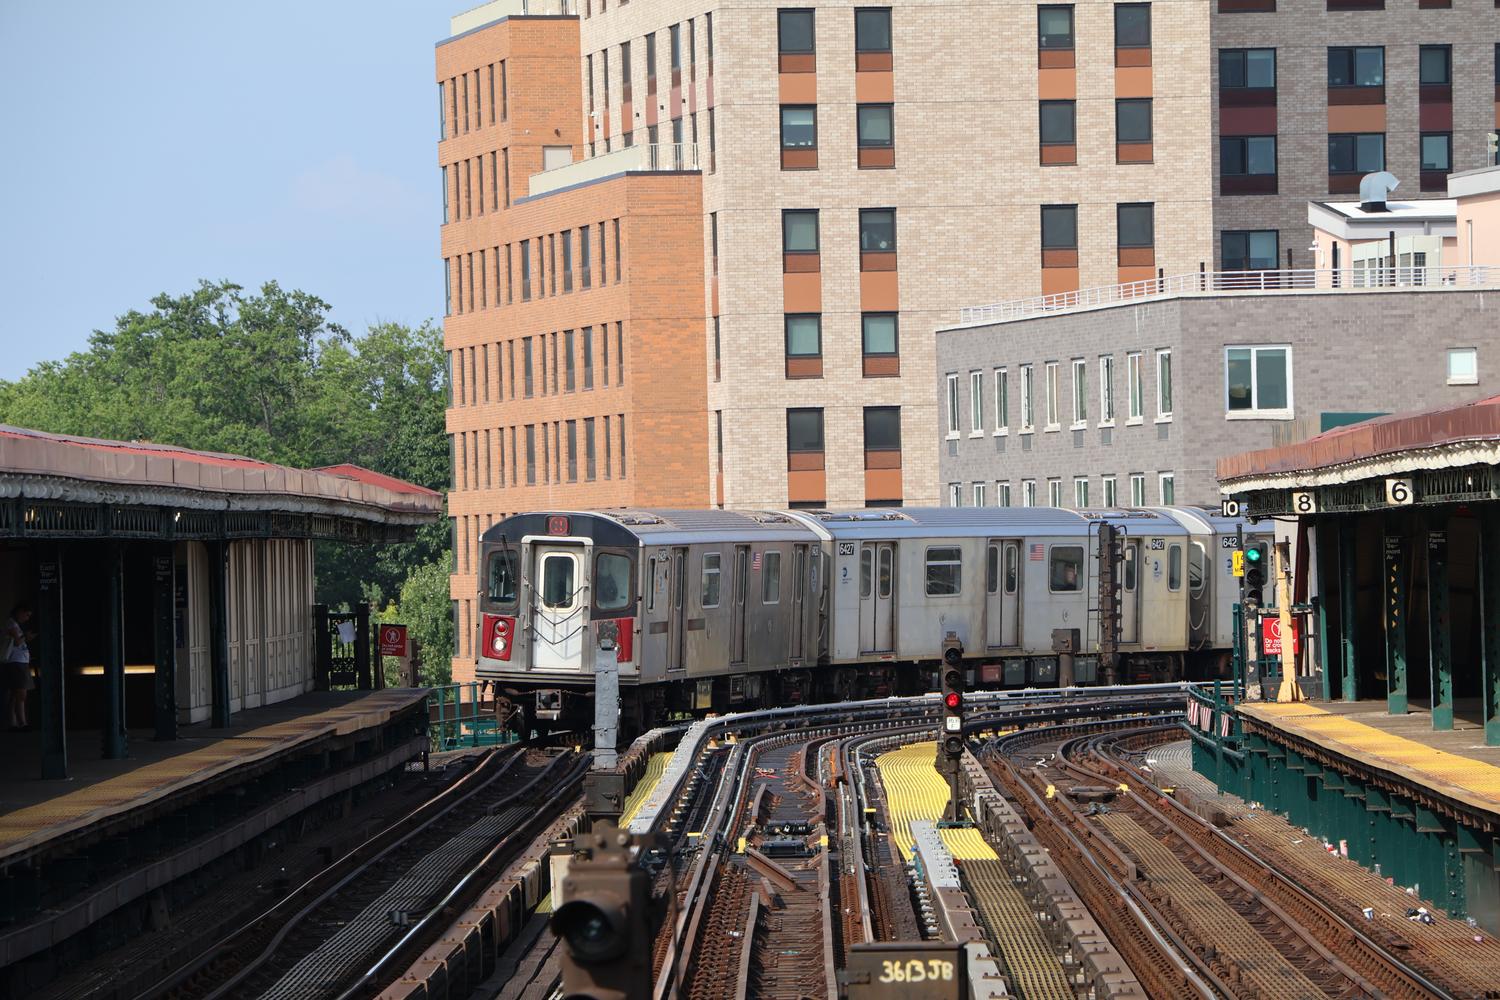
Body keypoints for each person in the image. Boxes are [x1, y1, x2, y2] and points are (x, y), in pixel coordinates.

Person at [4, 603, 36, 731]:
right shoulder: (11, 623)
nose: (27, 618)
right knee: (21, 693)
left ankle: (13, 723)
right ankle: (22, 723)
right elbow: (17, 642)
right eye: (26, 615)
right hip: (16, 662)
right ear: (20, 612)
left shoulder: (14, 624)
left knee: (15, 695)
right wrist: (26, 637)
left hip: (19, 662)